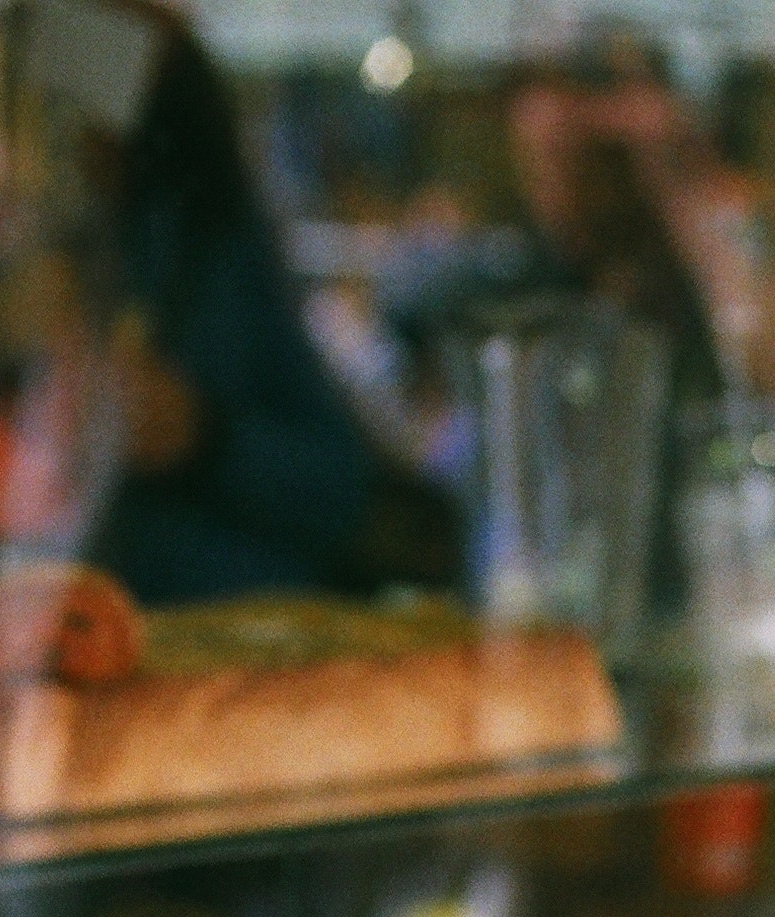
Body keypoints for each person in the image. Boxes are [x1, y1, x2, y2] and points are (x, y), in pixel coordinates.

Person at [33, 0, 457, 601]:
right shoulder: (84, 245)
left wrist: (200, 435)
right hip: (100, 621)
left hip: (228, 623)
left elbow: (338, 483)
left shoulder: (212, 251)